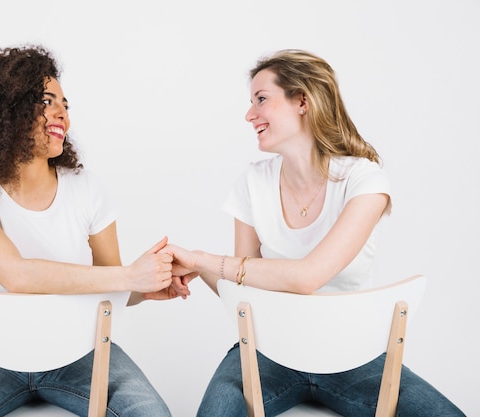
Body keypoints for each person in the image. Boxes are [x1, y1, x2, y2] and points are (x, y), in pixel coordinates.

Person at [165, 49, 465, 416]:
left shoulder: (364, 180)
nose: (249, 114)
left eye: (261, 99)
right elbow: (245, 290)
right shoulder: (252, 183)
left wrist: (204, 259)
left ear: (302, 101)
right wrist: (204, 270)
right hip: (268, 352)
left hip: (353, 355)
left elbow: (309, 276)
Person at [0, 45, 180, 417]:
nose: (62, 112)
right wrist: (130, 275)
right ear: (6, 111)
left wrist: (145, 288)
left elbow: (110, 283)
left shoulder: (86, 187)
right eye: (47, 101)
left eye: (65, 103)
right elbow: (16, 274)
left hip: (81, 352)